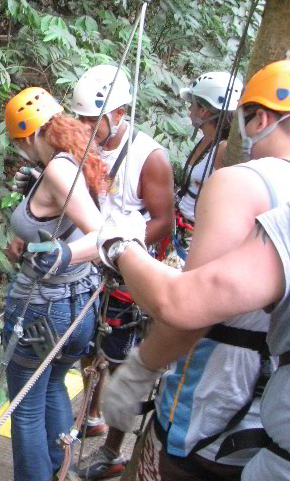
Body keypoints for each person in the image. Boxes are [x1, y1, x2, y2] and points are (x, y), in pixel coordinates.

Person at [93, 59, 290, 481]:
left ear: (262, 118)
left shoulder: (243, 182)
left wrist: (121, 245)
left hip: (216, 406)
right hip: (270, 414)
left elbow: (186, 309)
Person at [67, 64, 174, 479]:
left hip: (127, 268)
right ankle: (90, 415)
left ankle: (112, 448)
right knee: (89, 346)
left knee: (120, 359)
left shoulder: (150, 157)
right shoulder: (87, 146)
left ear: (120, 112)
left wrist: (122, 254)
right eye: (83, 119)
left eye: (95, 120)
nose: (87, 126)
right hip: (93, 258)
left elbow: (162, 220)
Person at [2, 87, 107, 481]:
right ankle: (56, 472)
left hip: (44, 307)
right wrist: (33, 237)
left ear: (27, 136)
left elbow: (101, 235)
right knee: (54, 386)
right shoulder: (69, 161)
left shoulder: (59, 170)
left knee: (26, 407)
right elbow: (61, 219)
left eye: (17, 143)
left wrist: (60, 254)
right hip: (76, 306)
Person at [168, 72, 243, 263]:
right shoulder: (207, 139)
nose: (189, 110)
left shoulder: (223, 150)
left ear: (204, 111)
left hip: (196, 238)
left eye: (192, 104)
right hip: (183, 228)